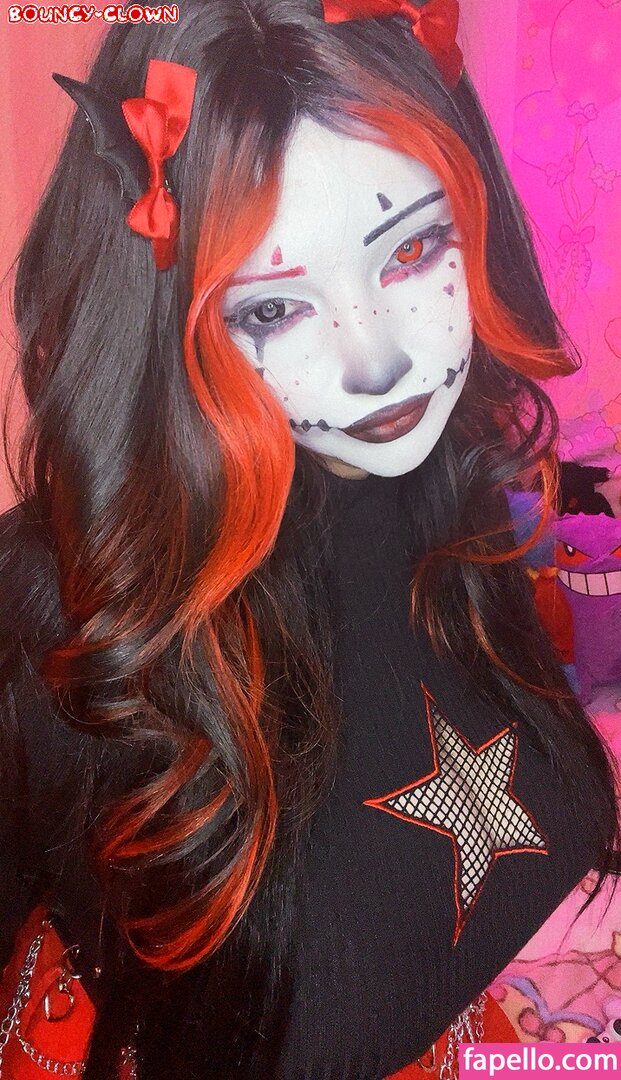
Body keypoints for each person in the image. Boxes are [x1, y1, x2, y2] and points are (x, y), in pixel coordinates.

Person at [0, 1, 618, 1077]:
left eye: (412, 248)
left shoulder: (446, 486)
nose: (376, 361)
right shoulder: (57, 614)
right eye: (272, 310)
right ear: (165, 322)